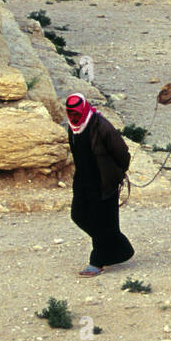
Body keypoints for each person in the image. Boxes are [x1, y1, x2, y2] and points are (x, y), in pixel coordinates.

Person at [65, 94, 134, 276]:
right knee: (78, 215)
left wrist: (117, 173)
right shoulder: (73, 129)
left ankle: (97, 262)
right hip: (82, 181)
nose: (73, 117)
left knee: (101, 222)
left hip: (104, 182)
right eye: (70, 113)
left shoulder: (101, 126)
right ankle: (121, 248)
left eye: (76, 113)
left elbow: (122, 153)